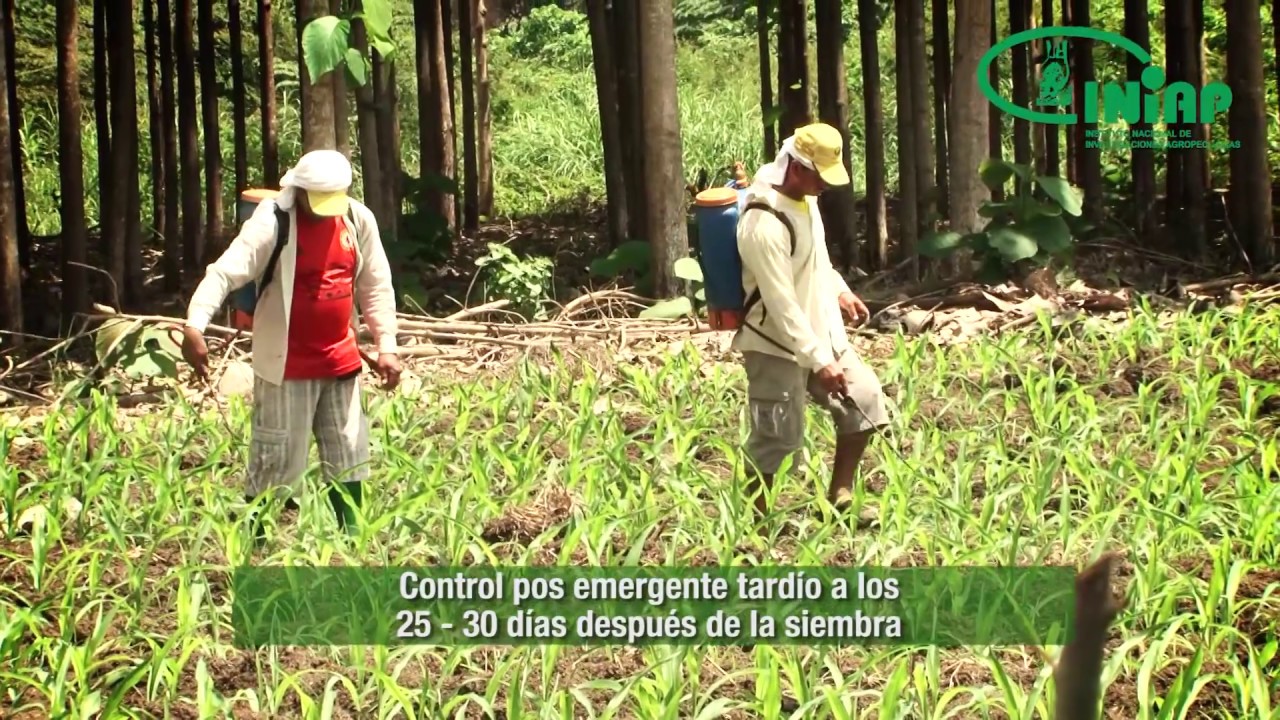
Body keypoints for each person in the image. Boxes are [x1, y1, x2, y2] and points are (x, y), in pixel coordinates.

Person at [181, 149, 401, 541]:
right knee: (275, 458)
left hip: (341, 361)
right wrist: (194, 325)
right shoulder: (272, 222)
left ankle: (352, 542)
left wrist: (387, 345)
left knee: (349, 453)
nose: (326, 210)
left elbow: (375, 285)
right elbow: (224, 273)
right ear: (298, 191)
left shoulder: (356, 219)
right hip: (287, 366)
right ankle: (258, 543)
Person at [732, 123, 890, 526]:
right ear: (797, 167)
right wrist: (819, 361)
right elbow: (781, 302)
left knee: (866, 399)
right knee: (776, 437)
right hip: (774, 343)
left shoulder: (806, 198)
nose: (825, 185)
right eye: (820, 176)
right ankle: (757, 524)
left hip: (822, 330)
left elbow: (815, 258)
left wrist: (839, 290)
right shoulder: (762, 221)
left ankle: (840, 496)